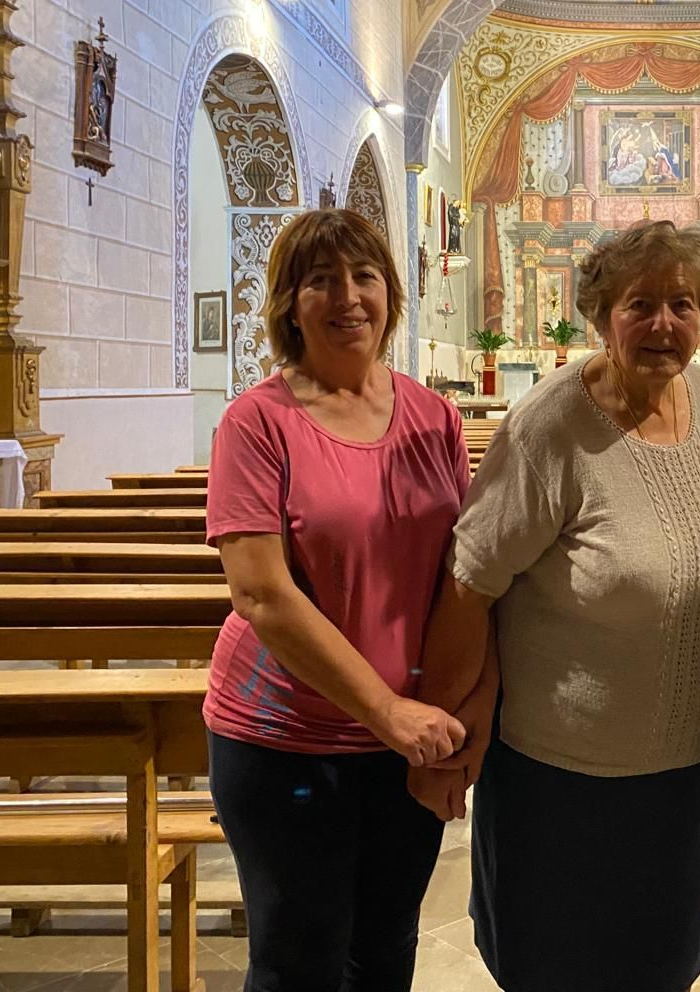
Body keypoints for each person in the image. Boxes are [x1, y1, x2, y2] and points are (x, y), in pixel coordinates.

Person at [408, 219, 700, 992]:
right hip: (561, 782)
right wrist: (444, 731)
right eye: (640, 304)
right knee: (556, 969)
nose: (664, 323)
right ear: (600, 317)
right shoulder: (549, 426)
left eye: (683, 304)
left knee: (665, 967)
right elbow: (471, 583)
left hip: (682, 776)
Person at [203, 209, 468, 991]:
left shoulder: (433, 415)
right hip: (287, 733)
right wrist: (386, 712)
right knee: (298, 959)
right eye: (321, 280)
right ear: (290, 301)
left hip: (407, 740)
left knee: (385, 951)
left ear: (391, 292)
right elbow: (262, 594)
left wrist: (457, 712)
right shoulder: (258, 422)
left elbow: (465, 567)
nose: (347, 297)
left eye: (364, 276)